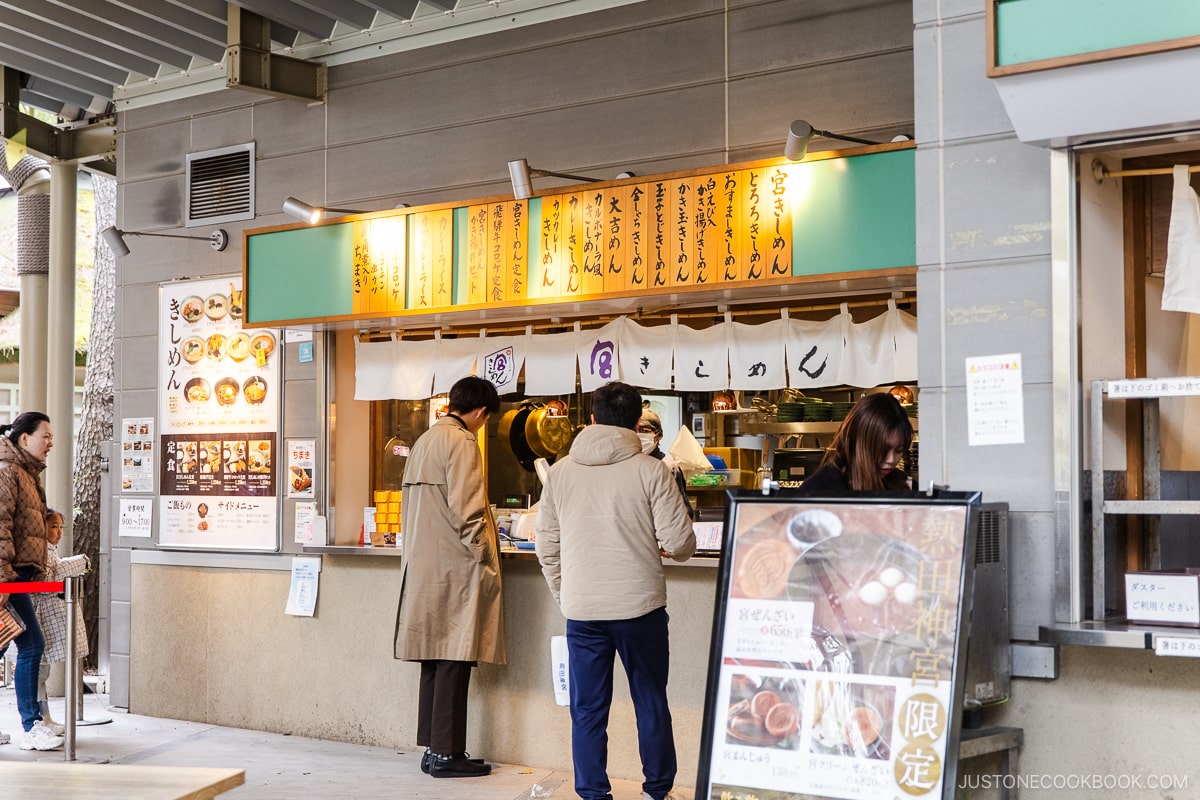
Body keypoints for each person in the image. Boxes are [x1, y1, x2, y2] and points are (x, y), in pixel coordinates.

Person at [536, 381, 696, 800]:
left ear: (591, 419)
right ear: (636, 425)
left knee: (587, 710)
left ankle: (593, 793)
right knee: (650, 701)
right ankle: (656, 791)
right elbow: (680, 545)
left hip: (583, 613)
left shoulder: (561, 472)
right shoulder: (651, 470)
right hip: (640, 609)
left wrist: (568, 596)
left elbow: (546, 548)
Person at [393, 376, 504, 779]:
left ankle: (433, 749)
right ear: (480, 412)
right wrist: (486, 559)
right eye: (485, 418)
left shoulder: (425, 440)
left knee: (435, 659)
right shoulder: (462, 443)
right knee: (455, 657)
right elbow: (469, 511)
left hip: (425, 565)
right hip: (456, 567)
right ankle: (447, 754)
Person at [0, 411, 64, 751]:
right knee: (31, 644)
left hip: (19, 575)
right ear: (25, 438)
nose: (50, 443)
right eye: (46, 436)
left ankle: (32, 724)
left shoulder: (24, 472)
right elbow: (0, 527)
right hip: (8, 577)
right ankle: (31, 725)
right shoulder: (8, 471)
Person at [34, 508, 91, 735]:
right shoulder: (40, 551)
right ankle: (39, 719)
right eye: (54, 526)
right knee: (38, 670)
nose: (58, 532)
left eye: (61, 527)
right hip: (39, 616)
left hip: (42, 616)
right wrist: (78, 563)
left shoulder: (49, 550)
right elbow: (49, 575)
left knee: (42, 670)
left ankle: (43, 717)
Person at [797, 392, 913, 494]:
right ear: (858, 443)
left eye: (898, 450)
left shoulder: (904, 486)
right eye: (882, 450)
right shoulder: (818, 490)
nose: (891, 459)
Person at [636, 409, 694, 520]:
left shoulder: (668, 468)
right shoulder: (627, 463)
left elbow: (681, 513)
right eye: (635, 430)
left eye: (644, 430)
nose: (638, 435)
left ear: (658, 435)